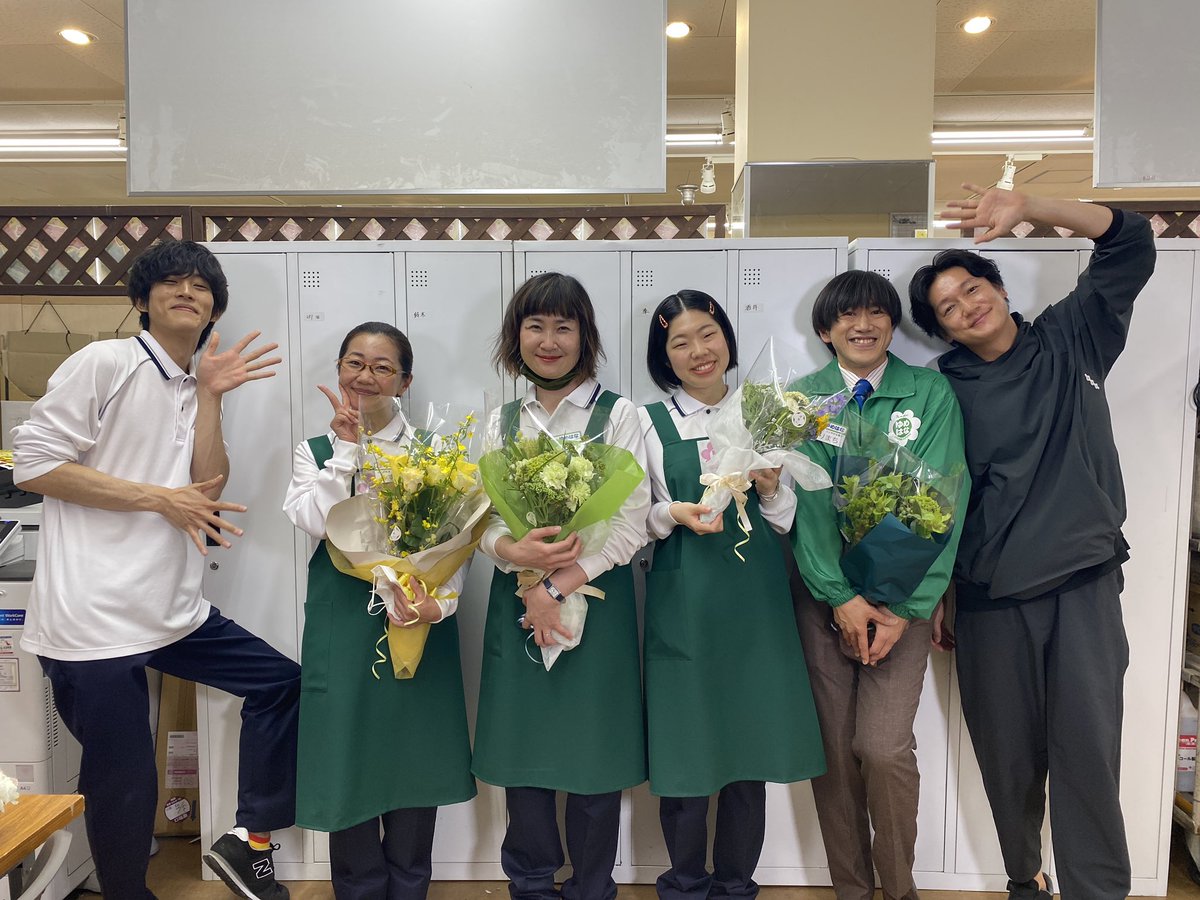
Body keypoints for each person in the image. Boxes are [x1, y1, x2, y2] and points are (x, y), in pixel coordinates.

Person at [12, 240, 299, 900]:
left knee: (281, 684)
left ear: (213, 309)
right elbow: (34, 465)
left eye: (201, 285)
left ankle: (248, 837)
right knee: (126, 780)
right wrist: (157, 498)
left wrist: (212, 397)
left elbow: (206, 487)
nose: (187, 291)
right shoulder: (105, 363)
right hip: (91, 621)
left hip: (172, 611)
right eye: (170, 281)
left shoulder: (195, 382)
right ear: (141, 299)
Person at [907, 184, 1156, 900]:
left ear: (998, 287)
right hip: (989, 602)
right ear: (942, 331)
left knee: (1087, 756)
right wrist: (942, 593)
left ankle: (1096, 891)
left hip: (1082, 584)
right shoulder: (941, 392)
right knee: (1008, 760)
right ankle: (1026, 881)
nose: (966, 306)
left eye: (972, 288)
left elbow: (1132, 240)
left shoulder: (1071, 336)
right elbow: (934, 504)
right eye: (947, 308)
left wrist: (1035, 207)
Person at [638, 290, 824, 900]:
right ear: (664, 356)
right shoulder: (648, 420)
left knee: (749, 750)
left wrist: (770, 487)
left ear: (727, 339)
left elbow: (785, 520)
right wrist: (674, 513)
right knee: (686, 752)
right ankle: (685, 883)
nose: (699, 350)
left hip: (755, 606)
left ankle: (737, 884)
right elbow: (636, 517)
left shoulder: (764, 412)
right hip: (685, 603)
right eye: (680, 342)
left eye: (708, 334)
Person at [788, 270, 968, 900]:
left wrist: (906, 606)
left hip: (904, 603)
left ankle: (899, 889)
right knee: (835, 754)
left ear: (893, 324)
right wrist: (840, 596)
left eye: (876, 314)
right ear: (825, 330)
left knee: (884, 749)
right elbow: (805, 508)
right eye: (847, 316)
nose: (862, 326)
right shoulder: (802, 400)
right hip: (823, 600)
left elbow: (945, 497)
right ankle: (851, 890)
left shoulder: (929, 393)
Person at [472, 272, 649, 900]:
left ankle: (592, 886)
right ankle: (530, 884)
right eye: (535, 326)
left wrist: (556, 586)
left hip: (595, 603)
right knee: (525, 755)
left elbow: (631, 524)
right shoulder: (501, 423)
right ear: (515, 336)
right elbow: (481, 518)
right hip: (518, 604)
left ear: (585, 336)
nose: (549, 341)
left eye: (563, 327)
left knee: (594, 755)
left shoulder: (618, 415)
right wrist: (513, 555)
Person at [283, 322, 475, 899]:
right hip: (344, 621)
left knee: (413, 757)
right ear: (339, 370)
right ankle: (359, 888)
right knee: (349, 757)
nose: (365, 376)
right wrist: (345, 450)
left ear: (404, 381)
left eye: (382, 367)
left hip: (417, 619)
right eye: (355, 363)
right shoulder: (316, 451)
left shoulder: (436, 454)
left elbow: (460, 540)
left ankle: (410, 885)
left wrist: (436, 606)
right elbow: (315, 521)